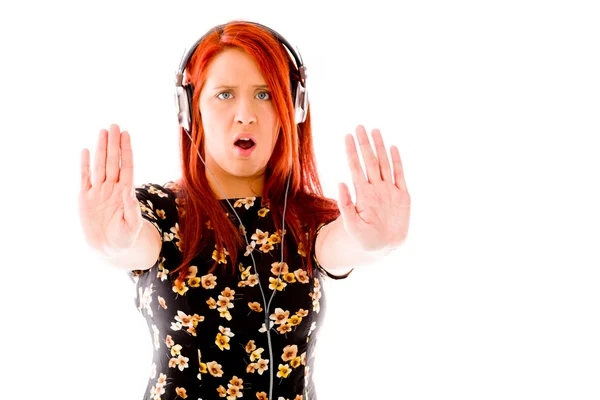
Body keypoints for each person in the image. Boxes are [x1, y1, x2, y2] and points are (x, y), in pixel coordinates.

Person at [78, 20, 411, 400]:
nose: (245, 114)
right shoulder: (155, 210)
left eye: (265, 94)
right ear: (190, 110)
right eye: (224, 95)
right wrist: (113, 245)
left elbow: (344, 244)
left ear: (294, 107)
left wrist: (376, 242)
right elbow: (134, 243)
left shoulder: (309, 219)